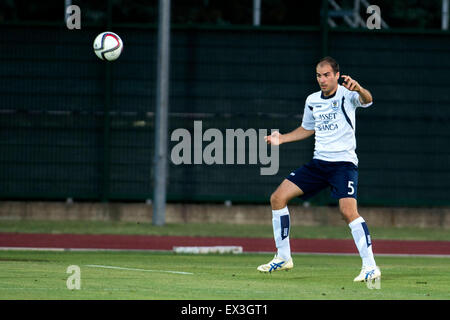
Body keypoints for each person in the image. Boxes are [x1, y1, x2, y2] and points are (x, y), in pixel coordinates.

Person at [257, 56, 381, 282]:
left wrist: (360, 88)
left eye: (326, 75)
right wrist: (282, 139)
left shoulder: (347, 94)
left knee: (347, 212)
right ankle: (283, 257)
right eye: (318, 75)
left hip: (343, 165)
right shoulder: (312, 100)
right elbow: (307, 128)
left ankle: (371, 266)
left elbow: (369, 100)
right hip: (318, 164)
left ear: (336, 75)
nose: (322, 80)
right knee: (277, 198)